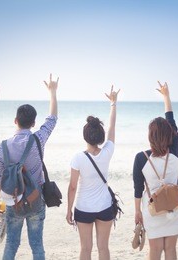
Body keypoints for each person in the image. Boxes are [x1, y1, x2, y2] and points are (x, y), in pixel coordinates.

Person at [0, 74, 58, 260]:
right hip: (36, 200)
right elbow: (53, 119)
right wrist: (52, 92)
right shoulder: (38, 139)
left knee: (11, 245)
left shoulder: (3, 147)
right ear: (33, 123)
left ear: (15, 120)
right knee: (37, 246)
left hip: (12, 201)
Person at [132, 82, 178, 260]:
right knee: (170, 249)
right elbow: (172, 122)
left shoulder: (140, 158)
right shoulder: (174, 152)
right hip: (175, 207)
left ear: (150, 136)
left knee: (155, 250)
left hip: (153, 209)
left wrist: (137, 212)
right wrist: (166, 97)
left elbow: (137, 189)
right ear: (170, 135)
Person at [66, 85, 120, 260]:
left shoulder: (78, 158)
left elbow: (73, 187)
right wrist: (113, 104)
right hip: (104, 206)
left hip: (84, 208)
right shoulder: (107, 152)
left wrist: (69, 209)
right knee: (103, 248)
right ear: (100, 136)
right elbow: (112, 127)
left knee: (85, 249)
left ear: (85, 136)